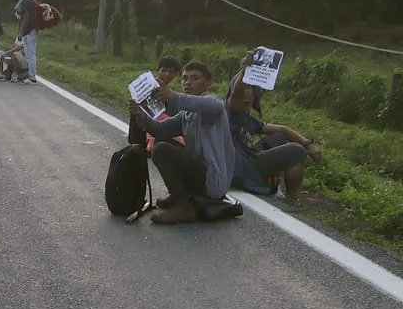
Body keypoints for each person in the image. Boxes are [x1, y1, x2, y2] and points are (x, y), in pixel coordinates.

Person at [128, 61, 236, 225]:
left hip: (212, 180)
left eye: (195, 78)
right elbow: (160, 130)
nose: (188, 82)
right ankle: (179, 195)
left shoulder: (214, 105)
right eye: (184, 78)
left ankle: (183, 206)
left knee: (162, 150)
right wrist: (140, 115)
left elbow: (204, 104)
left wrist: (171, 96)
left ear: (207, 83)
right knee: (162, 142)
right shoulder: (186, 114)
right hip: (199, 173)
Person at [227, 56, 320, 196]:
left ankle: (288, 196)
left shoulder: (250, 120)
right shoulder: (228, 111)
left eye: (250, 87)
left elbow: (282, 129)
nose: (246, 92)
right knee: (296, 150)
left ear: (255, 94)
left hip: (248, 160)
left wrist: (308, 144)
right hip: (235, 167)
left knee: (278, 137)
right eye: (243, 87)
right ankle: (290, 198)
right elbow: (236, 93)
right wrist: (244, 71)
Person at [14, 0, 39, 84]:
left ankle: (31, 76)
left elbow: (26, 17)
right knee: (26, 53)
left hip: (28, 31)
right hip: (31, 30)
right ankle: (25, 74)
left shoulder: (26, 1)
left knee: (30, 54)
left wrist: (21, 32)